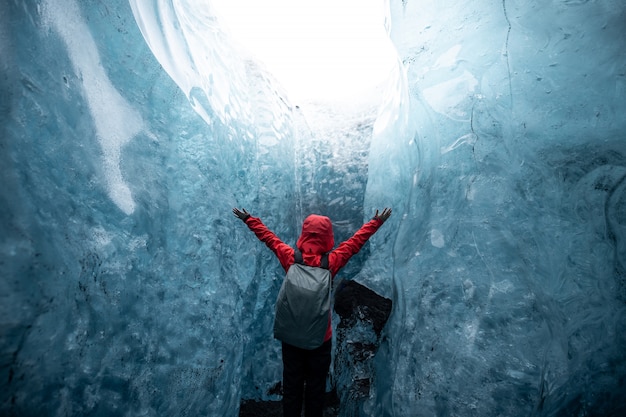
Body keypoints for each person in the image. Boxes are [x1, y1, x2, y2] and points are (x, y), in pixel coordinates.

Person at [232, 207, 392, 417]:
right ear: (328, 237)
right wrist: (376, 221)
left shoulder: (291, 258)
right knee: (315, 388)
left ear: (304, 234)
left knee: (292, 385)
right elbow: (355, 243)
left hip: (291, 337)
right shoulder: (330, 263)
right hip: (319, 339)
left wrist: (249, 219)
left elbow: (269, 238)